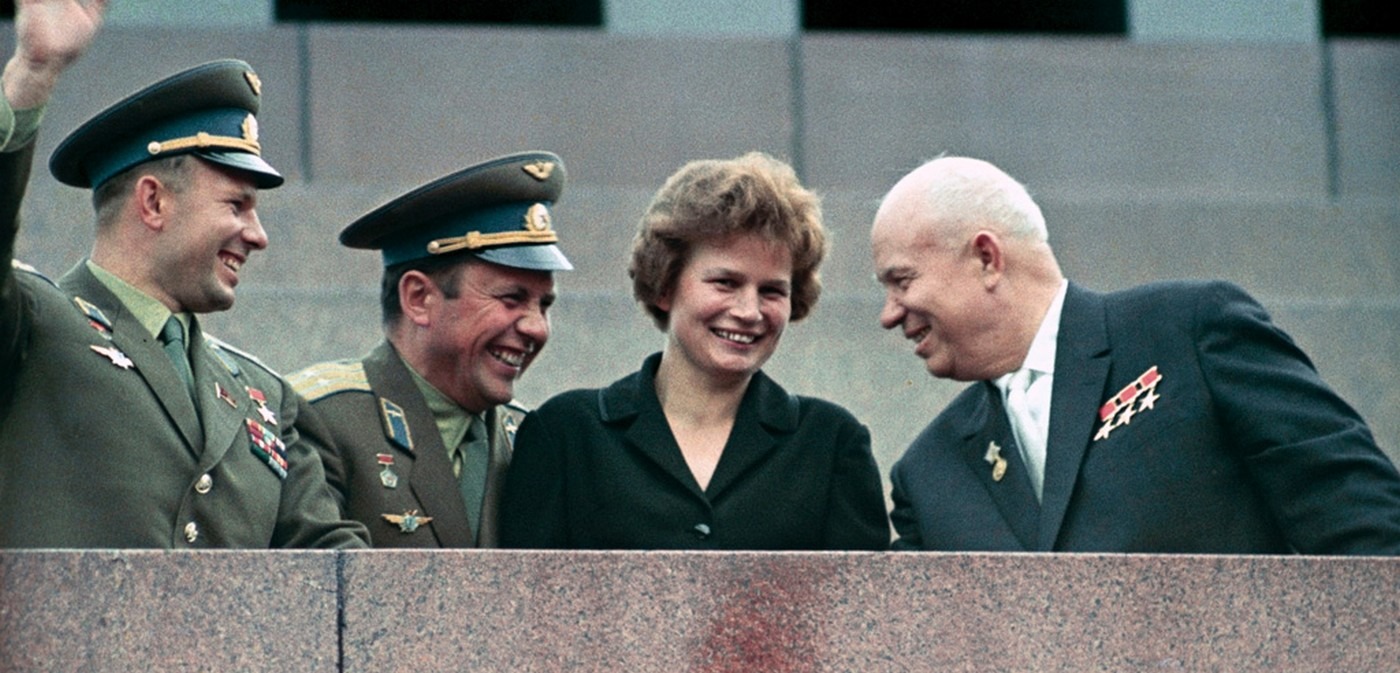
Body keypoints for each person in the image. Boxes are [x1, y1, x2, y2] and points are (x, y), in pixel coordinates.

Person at [871, 155, 1400, 554]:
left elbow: (1364, 525)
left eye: (902, 281)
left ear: (987, 258)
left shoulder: (1188, 334)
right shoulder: (928, 473)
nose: (889, 315)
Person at [0, 0, 369, 549]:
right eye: (237, 206)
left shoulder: (265, 396)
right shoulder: (30, 324)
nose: (258, 235)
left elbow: (337, 571)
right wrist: (32, 73)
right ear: (153, 201)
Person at [499, 151, 890, 550]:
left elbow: (865, 607)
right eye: (725, 283)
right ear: (665, 285)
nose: (749, 312)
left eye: (771, 290)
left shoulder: (832, 443)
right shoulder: (565, 434)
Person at [288, 152, 572, 547]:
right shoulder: (321, 417)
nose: (536, 327)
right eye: (511, 299)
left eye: (544, 305)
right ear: (419, 298)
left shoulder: (529, 440)